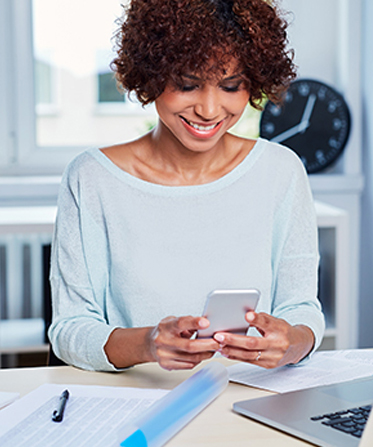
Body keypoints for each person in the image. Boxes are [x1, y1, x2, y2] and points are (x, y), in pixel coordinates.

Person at [48, 0, 325, 372]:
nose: (210, 110)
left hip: (249, 399)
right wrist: (148, 344)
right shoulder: (91, 179)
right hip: (135, 404)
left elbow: (302, 309)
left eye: (231, 86)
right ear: (151, 75)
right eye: (187, 84)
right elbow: (70, 330)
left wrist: (293, 342)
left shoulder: (280, 171)